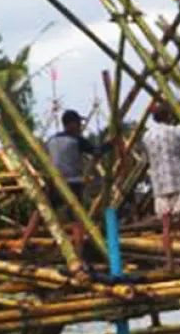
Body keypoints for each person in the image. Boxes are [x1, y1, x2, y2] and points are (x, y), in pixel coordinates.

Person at [17, 109, 114, 255]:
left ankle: (23, 243)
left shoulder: (52, 140)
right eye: (79, 123)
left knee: (40, 212)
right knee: (77, 219)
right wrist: (110, 144)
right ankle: (79, 252)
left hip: (54, 182)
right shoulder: (76, 140)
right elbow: (96, 151)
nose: (81, 126)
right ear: (72, 124)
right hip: (72, 183)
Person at [142, 101, 180, 272]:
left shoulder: (147, 136)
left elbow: (147, 158)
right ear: (168, 116)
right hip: (178, 180)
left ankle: (169, 263)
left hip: (159, 184)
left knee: (166, 226)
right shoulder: (177, 131)